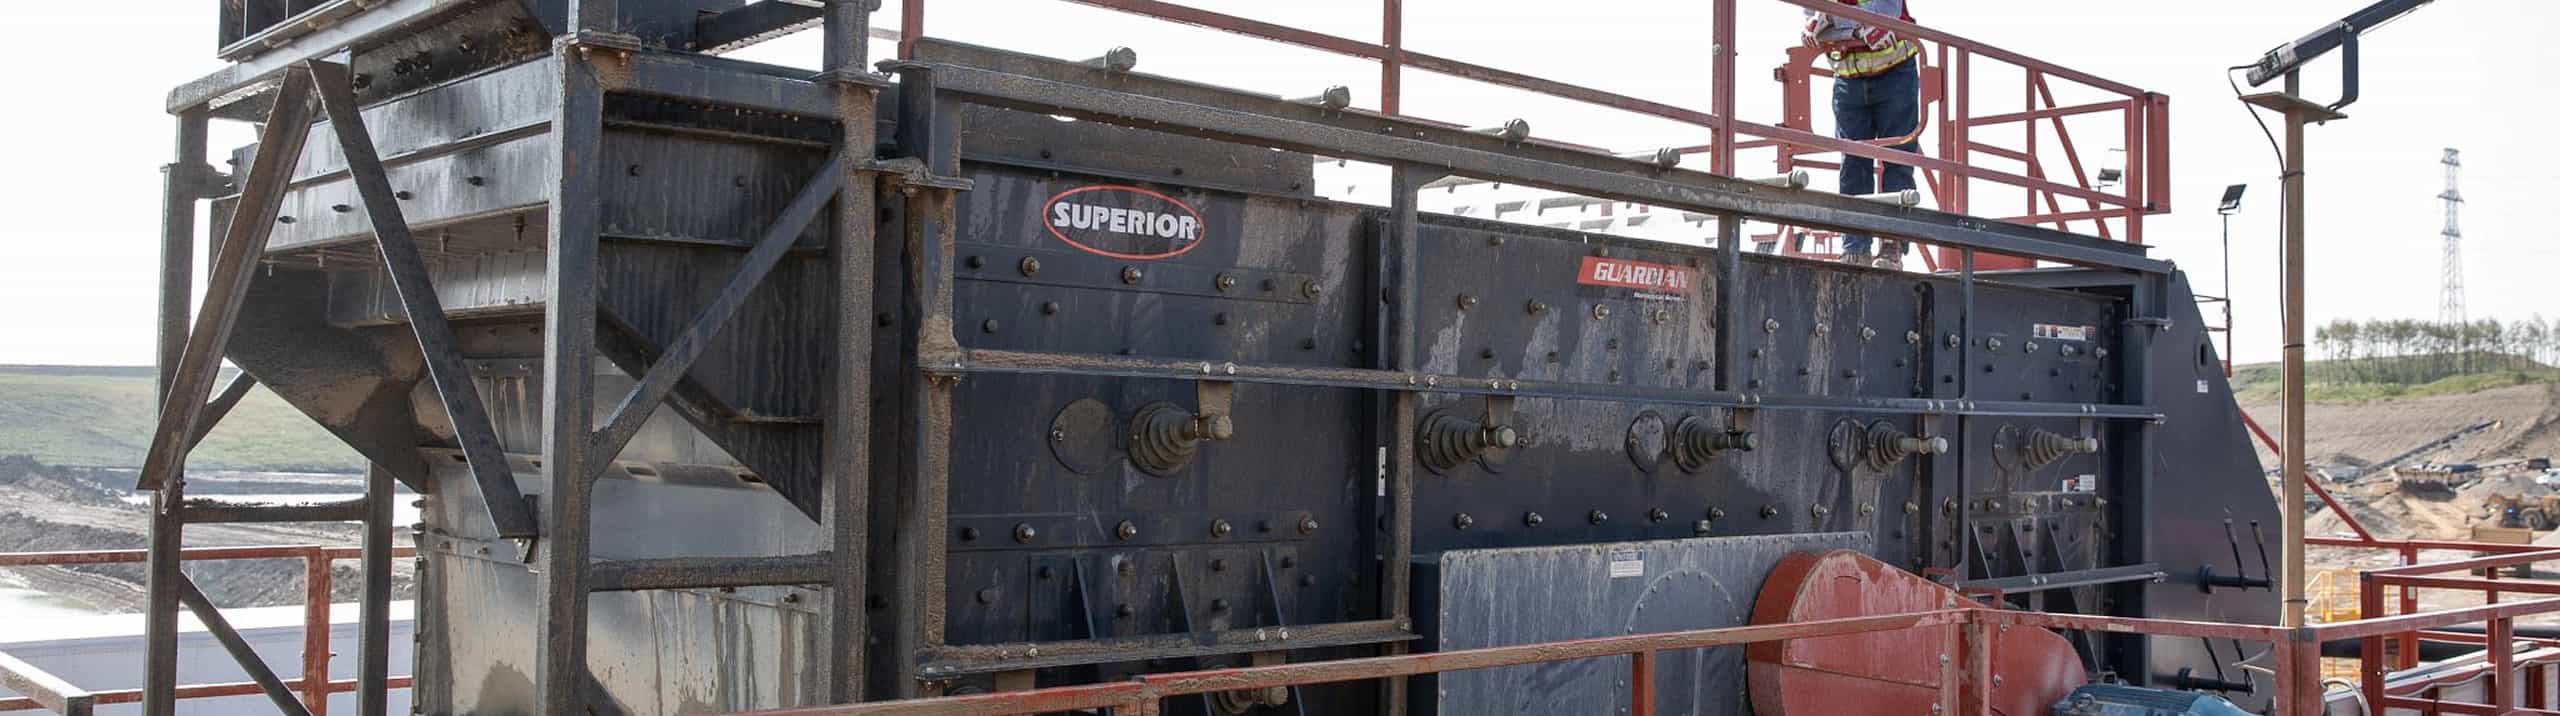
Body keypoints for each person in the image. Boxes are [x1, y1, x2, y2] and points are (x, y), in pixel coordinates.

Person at [1802, 0, 1923, 269]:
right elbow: (1813, 23)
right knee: (1853, 164)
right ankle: (1855, 249)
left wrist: (1832, 22)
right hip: (1848, 79)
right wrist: (1856, 31)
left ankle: (1892, 245)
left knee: (1898, 159)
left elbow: (1885, 13)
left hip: (1894, 73)